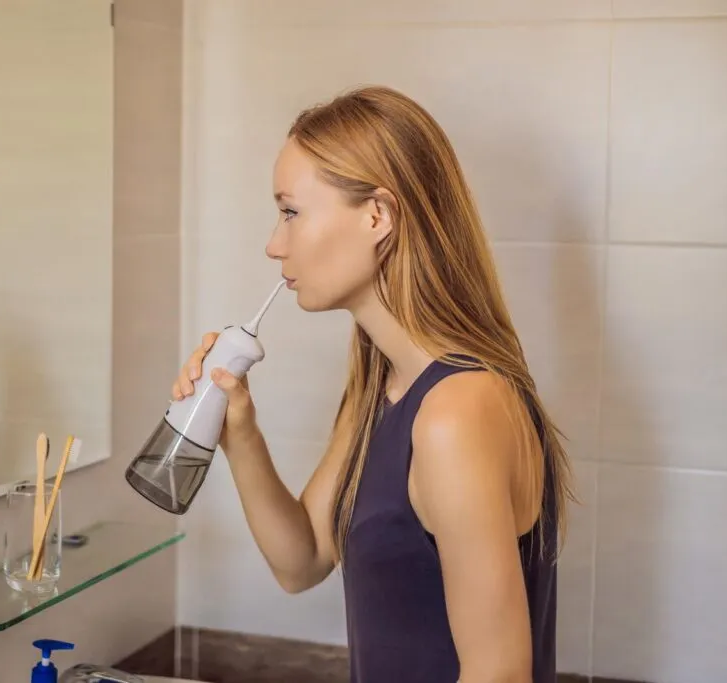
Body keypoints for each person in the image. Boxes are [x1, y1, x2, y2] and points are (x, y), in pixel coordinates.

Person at [171, 85, 575, 683]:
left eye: (290, 211)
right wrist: (240, 434)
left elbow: (500, 673)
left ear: (377, 216)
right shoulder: (384, 388)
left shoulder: (455, 412)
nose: (273, 243)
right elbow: (302, 559)